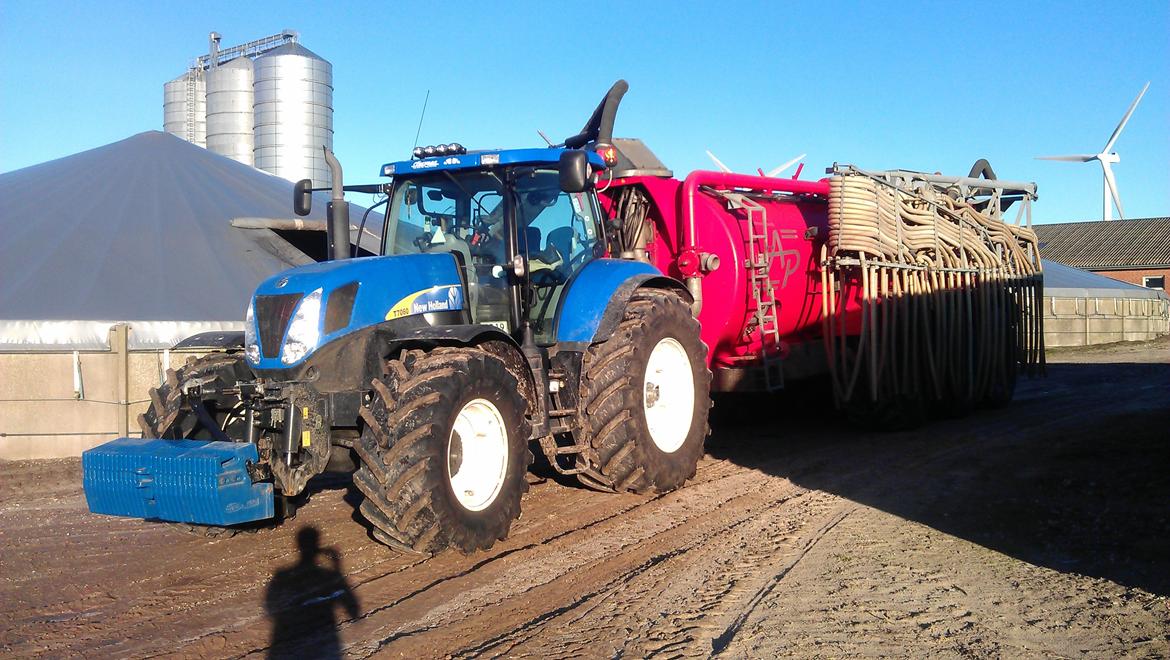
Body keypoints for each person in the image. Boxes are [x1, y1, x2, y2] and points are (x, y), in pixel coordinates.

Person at [265, 527, 360, 659]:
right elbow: (352, 608)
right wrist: (337, 567)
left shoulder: (282, 575)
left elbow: (270, 606)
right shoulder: (329, 574)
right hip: (322, 638)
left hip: (287, 636)